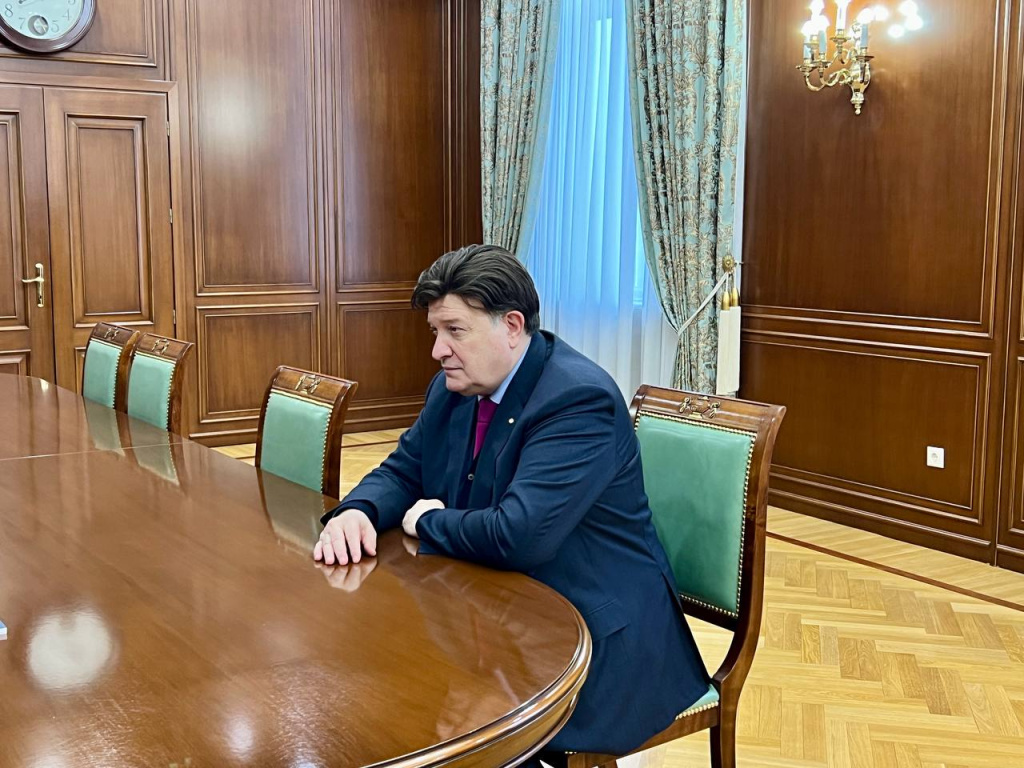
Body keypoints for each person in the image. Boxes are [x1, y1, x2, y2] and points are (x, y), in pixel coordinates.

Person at [313, 244, 708, 761]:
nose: (438, 350)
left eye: (455, 330)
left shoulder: (577, 399)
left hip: (593, 639)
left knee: (447, 728)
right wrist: (357, 510)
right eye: (435, 331)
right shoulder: (452, 388)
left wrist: (428, 520)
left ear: (513, 326)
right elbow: (404, 469)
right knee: (390, 696)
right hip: (494, 611)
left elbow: (518, 535)